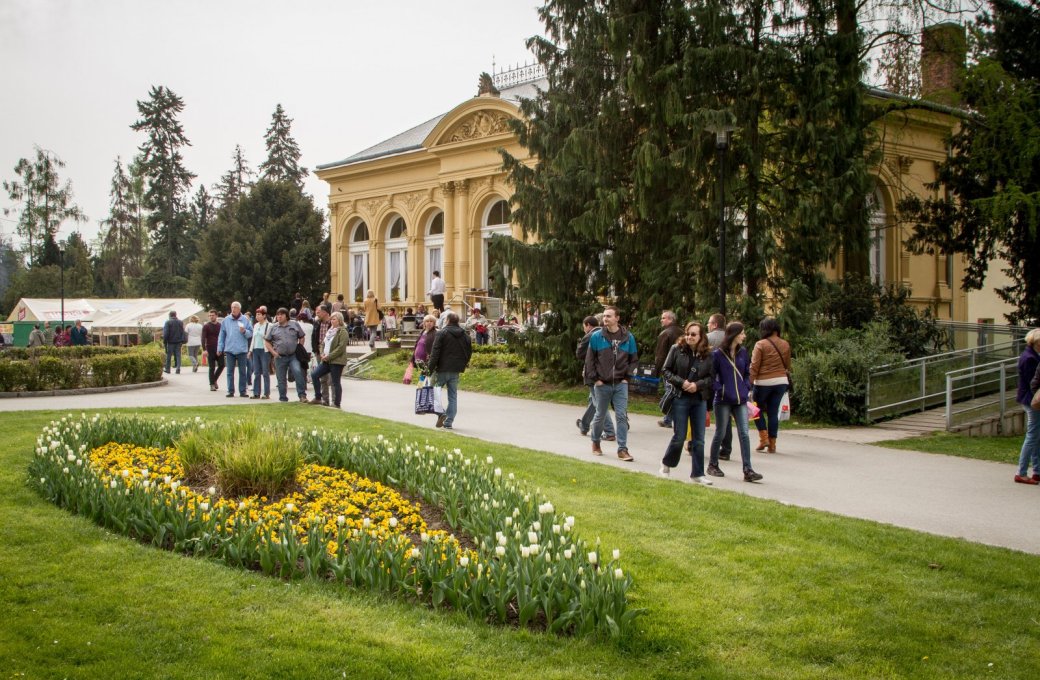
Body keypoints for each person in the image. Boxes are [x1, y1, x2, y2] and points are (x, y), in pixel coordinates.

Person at [660, 321, 715, 484]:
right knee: (680, 436)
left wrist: (697, 385)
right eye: (688, 334)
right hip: (680, 397)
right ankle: (666, 464)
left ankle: (697, 474)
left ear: (701, 336)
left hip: (698, 399)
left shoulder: (708, 354)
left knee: (699, 438)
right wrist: (681, 382)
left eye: (694, 334)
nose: (690, 337)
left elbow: (711, 378)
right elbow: (666, 370)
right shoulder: (677, 349)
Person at [707, 322, 762, 482]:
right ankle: (713, 464)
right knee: (721, 432)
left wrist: (746, 386)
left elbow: (746, 372)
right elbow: (711, 376)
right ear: (734, 334)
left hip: (740, 399)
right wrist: (720, 389)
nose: (744, 336)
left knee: (744, 433)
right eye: (742, 333)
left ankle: (748, 469)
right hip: (723, 399)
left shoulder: (743, 352)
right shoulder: (717, 355)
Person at [585, 306, 638, 462]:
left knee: (621, 416)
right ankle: (595, 442)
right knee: (600, 415)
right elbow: (590, 360)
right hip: (603, 384)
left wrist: (626, 378)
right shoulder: (596, 337)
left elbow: (633, 360)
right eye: (604, 316)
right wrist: (596, 379)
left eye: (609, 316)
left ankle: (622, 449)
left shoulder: (628, 337)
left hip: (621, 384)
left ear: (617, 318)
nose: (605, 319)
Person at [750, 317, 792, 454]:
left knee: (756, 410)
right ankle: (772, 444)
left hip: (763, 382)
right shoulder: (785, 344)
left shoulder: (760, 344)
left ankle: (764, 439)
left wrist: (748, 382)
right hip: (781, 381)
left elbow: (754, 366)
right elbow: (787, 365)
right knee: (773, 412)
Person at [429, 311, 472, 430]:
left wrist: (429, 368)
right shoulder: (465, 335)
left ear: (447, 321)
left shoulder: (442, 333)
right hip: (455, 370)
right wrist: (463, 364)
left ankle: (440, 413)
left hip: (441, 369)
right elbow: (469, 353)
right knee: (452, 396)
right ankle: (449, 421)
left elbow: (435, 352)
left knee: (433, 392)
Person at [575, 315, 615, 440]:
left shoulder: (590, 336)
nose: (584, 329)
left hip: (594, 374)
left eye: (584, 327)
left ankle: (609, 431)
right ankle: (585, 425)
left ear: (588, 325)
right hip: (608, 373)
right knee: (594, 401)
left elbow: (579, 354)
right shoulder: (608, 333)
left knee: (599, 403)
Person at [265, 307, 308, 403]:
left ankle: (302, 395)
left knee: (298, 372)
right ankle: (283, 398)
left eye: (281, 315)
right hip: (279, 356)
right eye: (278, 315)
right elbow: (267, 342)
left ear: (286, 316)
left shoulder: (294, 324)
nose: (279, 316)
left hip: (293, 355)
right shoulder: (273, 327)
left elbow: (301, 336)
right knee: (281, 378)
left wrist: (299, 347)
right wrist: (273, 352)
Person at [1014, 328, 1040, 484]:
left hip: (1030, 399)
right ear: (1037, 342)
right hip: (1032, 400)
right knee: (1032, 436)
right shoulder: (1030, 358)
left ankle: (1037, 471)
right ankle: (1021, 472)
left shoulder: (1032, 355)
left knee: (1036, 436)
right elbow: (1034, 383)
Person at [706, 312, 733, 460]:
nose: (708, 326)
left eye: (709, 323)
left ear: (715, 324)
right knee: (725, 417)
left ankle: (693, 442)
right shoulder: (730, 340)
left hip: (707, 380)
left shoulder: (708, 338)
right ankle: (726, 448)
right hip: (724, 382)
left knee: (700, 412)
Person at [310, 311, 349, 408]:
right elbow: (323, 343)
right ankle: (318, 397)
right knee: (314, 375)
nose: (332, 321)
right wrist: (322, 353)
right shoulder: (330, 330)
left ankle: (336, 403)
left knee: (335, 382)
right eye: (331, 319)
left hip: (336, 361)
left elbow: (341, 348)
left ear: (340, 320)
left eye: (334, 319)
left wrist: (329, 356)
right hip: (326, 360)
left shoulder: (343, 332)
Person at [217, 301, 253, 397]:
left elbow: (250, 333)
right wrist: (220, 347)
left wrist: (244, 331)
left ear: (239, 309)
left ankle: (242, 391)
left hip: (242, 350)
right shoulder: (226, 320)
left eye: (235, 307)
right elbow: (222, 335)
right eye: (232, 307)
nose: (233, 309)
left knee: (242, 371)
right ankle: (230, 391)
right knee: (229, 372)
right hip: (229, 349)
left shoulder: (245, 320)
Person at [655, 310, 683, 428]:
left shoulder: (665, 333)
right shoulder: (682, 332)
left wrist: (658, 369)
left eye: (664, 318)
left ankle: (669, 418)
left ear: (671, 319)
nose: (661, 320)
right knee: (674, 392)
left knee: (671, 392)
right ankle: (668, 419)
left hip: (669, 368)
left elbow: (661, 354)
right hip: (681, 367)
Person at [311, 303, 333, 405]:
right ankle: (323, 399)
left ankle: (333, 400)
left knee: (331, 378)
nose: (317, 314)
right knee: (321, 377)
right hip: (320, 351)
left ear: (325, 312)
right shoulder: (317, 323)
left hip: (331, 352)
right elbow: (314, 337)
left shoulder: (332, 323)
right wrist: (315, 350)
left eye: (318, 312)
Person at [248, 306, 272, 399]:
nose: (257, 316)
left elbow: (270, 338)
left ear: (264, 315)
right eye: (256, 314)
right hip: (256, 349)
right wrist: (250, 350)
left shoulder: (269, 325)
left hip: (264, 350)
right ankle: (256, 392)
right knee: (256, 372)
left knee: (265, 372)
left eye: (259, 314)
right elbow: (253, 339)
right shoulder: (255, 325)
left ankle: (266, 393)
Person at [202, 310, 225, 391]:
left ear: (216, 316)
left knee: (222, 365)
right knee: (212, 367)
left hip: (219, 348)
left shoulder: (220, 325)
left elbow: (223, 337)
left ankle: (214, 379)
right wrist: (204, 349)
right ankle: (212, 384)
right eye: (210, 315)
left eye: (213, 315)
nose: (211, 317)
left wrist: (223, 347)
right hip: (210, 348)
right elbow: (203, 338)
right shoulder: (206, 326)